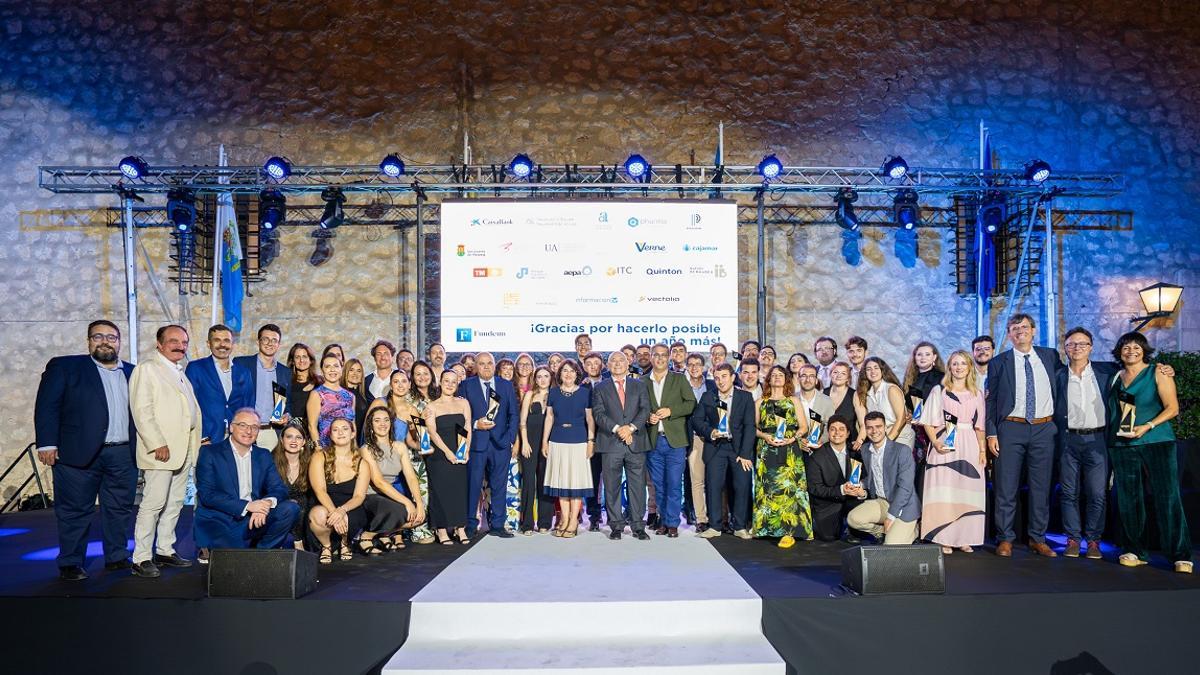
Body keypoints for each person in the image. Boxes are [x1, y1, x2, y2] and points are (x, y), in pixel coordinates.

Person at [34, 320, 137, 580]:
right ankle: (70, 561)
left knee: (119, 509)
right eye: (98, 337)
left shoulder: (134, 373)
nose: (105, 341)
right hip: (76, 454)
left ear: (119, 342)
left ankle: (116, 556)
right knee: (74, 510)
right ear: (89, 341)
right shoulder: (66, 367)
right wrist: (47, 443)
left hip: (123, 454)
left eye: (111, 337)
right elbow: (47, 406)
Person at [1107, 332, 1191, 573]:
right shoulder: (1115, 376)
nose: (1131, 350)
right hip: (1123, 445)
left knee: (1168, 497)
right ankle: (1135, 550)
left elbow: (1173, 408)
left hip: (1157, 441)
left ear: (1144, 350)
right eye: (1125, 346)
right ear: (1119, 351)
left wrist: (1148, 426)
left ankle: (1180, 555)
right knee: (1129, 501)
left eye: (1136, 346)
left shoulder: (1158, 372)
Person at [985, 313, 1063, 558]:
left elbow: (1078, 371)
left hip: (1044, 428)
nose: (1020, 331)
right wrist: (991, 433)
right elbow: (992, 401)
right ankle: (1005, 538)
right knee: (1006, 488)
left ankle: (1037, 538)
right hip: (1010, 428)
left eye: (1025, 327)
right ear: (1009, 334)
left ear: (1033, 330)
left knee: (1041, 487)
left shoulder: (1050, 356)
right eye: (1014, 328)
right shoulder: (998, 362)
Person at [129, 324, 202, 578]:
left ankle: (164, 549)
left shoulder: (179, 372)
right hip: (161, 450)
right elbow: (142, 410)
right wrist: (156, 442)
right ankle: (141, 557)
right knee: (153, 504)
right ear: (159, 344)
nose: (179, 346)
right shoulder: (148, 369)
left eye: (183, 342)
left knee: (174, 504)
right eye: (173, 341)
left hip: (182, 451)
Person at [193, 408, 300, 552]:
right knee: (232, 568)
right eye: (243, 425)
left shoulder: (263, 455)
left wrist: (264, 504)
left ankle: (261, 555)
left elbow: (279, 489)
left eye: (254, 427)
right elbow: (207, 495)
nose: (249, 431)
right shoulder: (210, 453)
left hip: (254, 519)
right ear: (231, 427)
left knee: (290, 509)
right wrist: (248, 506)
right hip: (221, 521)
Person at [1055, 327, 1118, 560]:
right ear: (1065, 348)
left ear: (1091, 347)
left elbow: (1137, 374)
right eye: (1071, 344)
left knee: (1097, 493)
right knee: (1069, 493)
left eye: (1082, 344)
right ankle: (1072, 539)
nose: (1076, 348)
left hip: (1098, 439)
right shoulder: (1058, 375)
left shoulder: (1108, 372)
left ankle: (1093, 541)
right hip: (1067, 439)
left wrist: (1163, 368)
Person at [917, 350, 987, 554]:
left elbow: (980, 426)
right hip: (944, 444)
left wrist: (982, 450)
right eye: (955, 364)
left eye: (963, 364)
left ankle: (964, 537)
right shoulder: (939, 391)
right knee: (944, 492)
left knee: (966, 492)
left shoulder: (977, 394)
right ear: (949, 367)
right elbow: (928, 422)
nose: (958, 368)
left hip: (969, 444)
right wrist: (936, 444)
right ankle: (943, 538)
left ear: (969, 367)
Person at [591, 351, 652, 541]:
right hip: (611, 443)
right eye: (613, 361)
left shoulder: (639, 385)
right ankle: (616, 525)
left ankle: (637, 526)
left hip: (635, 442)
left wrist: (631, 428)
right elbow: (599, 414)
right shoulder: (600, 388)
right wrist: (619, 429)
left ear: (628, 364)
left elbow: (645, 409)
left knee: (637, 487)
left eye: (621, 360)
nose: (617, 363)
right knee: (612, 487)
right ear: (607, 366)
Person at [459, 352, 521, 537]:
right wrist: (475, 425)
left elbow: (513, 414)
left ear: (494, 365)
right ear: (476, 366)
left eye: (489, 363)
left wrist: (510, 438)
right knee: (473, 485)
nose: (486, 367)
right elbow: (459, 417)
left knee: (499, 485)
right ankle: (470, 524)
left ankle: (498, 524)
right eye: (482, 363)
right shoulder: (466, 386)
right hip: (476, 443)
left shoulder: (506, 385)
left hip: (500, 444)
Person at [692, 363, 756, 539]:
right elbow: (697, 420)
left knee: (742, 486)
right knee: (713, 486)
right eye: (717, 377)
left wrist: (745, 453)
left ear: (733, 377)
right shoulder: (708, 396)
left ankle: (740, 526)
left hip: (738, 449)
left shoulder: (745, 397)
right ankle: (714, 526)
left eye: (724, 376)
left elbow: (750, 426)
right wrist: (710, 431)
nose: (720, 381)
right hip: (716, 447)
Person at [373, 367, 435, 544]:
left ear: (409, 384)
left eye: (404, 381)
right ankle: (384, 533)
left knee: (417, 487)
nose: (400, 385)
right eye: (396, 381)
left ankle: (411, 531)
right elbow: (366, 435)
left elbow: (412, 440)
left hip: (404, 456)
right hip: (379, 456)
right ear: (391, 385)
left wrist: (424, 446)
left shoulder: (413, 410)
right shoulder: (380, 403)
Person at [753, 365, 812, 547]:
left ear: (786, 379)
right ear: (768, 379)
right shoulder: (760, 402)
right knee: (767, 488)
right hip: (766, 448)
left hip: (789, 449)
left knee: (790, 489)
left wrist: (791, 439)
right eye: (774, 375)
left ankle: (791, 531)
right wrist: (765, 436)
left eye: (781, 375)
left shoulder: (793, 400)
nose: (777, 378)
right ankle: (765, 529)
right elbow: (754, 428)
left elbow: (804, 427)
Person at [643, 344, 698, 537]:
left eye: (663, 355)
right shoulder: (643, 382)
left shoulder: (679, 379)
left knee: (674, 483)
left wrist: (671, 411)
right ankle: (663, 521)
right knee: (658, 485)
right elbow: (638, 409)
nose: (659, 359)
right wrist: (647, 417)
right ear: (651, 357)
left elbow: (691, 403)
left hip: (675, 441)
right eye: (655, 355)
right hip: (653, 441)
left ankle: (673, 523)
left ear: (669, 358)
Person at [847, 412, 920, 545]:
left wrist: (891, 517)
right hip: (883, 502)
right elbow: (873, 477)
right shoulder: (865, 450)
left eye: (878, 426)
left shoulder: (902, 450)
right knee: (853, 519)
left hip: (903, 506)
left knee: (891, 546)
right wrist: (858, 485)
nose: (874, 431)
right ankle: (881, 531)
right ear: (865, 429)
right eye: (869, 427)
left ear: (885, 427)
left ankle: (913, 530)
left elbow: (906, 488)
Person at [542, 359, 595, 537]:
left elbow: (590, 419)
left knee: (576, 483)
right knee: (561, 482)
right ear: (560, 374)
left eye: (572, 371)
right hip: (557, 440)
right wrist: (544, 441)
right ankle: (564, 519)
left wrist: (591, 440)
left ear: (577, 374)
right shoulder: (554, 392)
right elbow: (549, 417)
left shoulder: (585, 393)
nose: (568, 374)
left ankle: (573, 521)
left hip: (579, 441)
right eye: (565, 370)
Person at [359, 407, 422, 553]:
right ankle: (366, 537)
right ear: (371, 425)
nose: (382, 424)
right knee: (402, 510)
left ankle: (382, 534)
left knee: (419, 516)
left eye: (386, 420)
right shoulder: (366, 449)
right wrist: (407, 502)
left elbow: (411, 477)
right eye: (377, 420)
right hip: (371, 495)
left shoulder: (400, 447)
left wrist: (418, 503)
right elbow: (378, 481)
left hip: (390, 493)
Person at [308, 417, 369, 563]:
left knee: (347, 517)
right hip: (325, 504)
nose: (340, 432)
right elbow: (320, 490)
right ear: (330, 435)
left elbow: (359, 496)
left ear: (353, 433)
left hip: (350, 507)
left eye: (345, 429)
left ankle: (345, 542)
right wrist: (334, 512)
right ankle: (326, 546)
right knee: (318, 514)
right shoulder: (319, 456)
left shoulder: (362, 463)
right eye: (335, 430)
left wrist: (342, 511)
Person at [424, 369, 472, 545]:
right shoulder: (432, 406)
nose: (450, 384)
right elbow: (432, 433)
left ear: (457, 383)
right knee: (440, 491)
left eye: (454, 381)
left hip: (459, 452)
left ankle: (460, 528)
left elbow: (467, 427)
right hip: (440, 454)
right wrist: (447, 452)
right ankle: (442, 530)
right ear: (440, 382)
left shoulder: (463, 403)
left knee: (459, 490)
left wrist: (466, 449)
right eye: (446, 381)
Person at [186, 324, 253, 446]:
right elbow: (189, 405)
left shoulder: (244, 372)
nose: (222, 345)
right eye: (217, 340)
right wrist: (203, 437)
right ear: (208, 343)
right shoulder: (196, 368)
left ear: (232, 344)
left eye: (226, 341)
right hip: (208, 439)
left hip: (237, 438)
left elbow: (249, 406)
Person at [233, 324, 292, 450]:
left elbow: (286, 403)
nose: (270, 343)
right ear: (258, 341)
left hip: (271, 433)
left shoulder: (284, 372)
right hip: (245, 430)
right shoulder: (242, 364)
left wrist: (286, 414)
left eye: (274, 340)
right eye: (265, 339)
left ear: (279, 344)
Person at [804, 415, 860, 542]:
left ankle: (854, 529)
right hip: (827, 506)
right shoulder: (817, 457)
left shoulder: (855, 453)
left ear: (848, 433)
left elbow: (864, 479)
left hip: (852, 502)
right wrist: (841, 490)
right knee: (828, 538)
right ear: (828, 433)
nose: (837, 433)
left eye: (841, 429)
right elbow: (815, 488)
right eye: (833, 429)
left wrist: (859, 489)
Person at [519, 367, 555, 534]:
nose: (542, 379)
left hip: (549, 444)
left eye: (546, 376)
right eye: (539, 376)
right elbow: (522, 421)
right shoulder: (529, 395)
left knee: (545, 482)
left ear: (551, 378)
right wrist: (524, 442)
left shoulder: (555, 395)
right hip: (530, 444)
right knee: (528, 483)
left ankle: (544, 523)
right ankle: (527, 524)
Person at [684, 353, 716, 531]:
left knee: (714, 480)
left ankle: (716, 516)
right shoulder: (682, 386)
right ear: (687, 367)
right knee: (697, 480)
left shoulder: (712, 385)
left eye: (698, 364)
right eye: (691, 364)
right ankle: (701, 519)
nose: (695, 367)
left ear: (704, 367)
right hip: (693, 438)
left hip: (713, 439)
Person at [856, 356, 915, 450]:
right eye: (868, 369)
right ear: (865, 373)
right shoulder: (867, 394)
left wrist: (888, 440)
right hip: (880, 438)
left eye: (876, 368)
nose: (872, 371)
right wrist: (859, 442)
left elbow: (902, 418)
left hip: (900, 436)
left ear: (882, 370)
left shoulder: (891, 389)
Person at [271, 420, 313, 550]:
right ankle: (297, 542)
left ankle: (299, 540)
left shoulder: (310, 462)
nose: (293, 441)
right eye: (289, 437)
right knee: (293, 505)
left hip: (303, 507)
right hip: (277, 505)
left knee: (302, 503)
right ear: (282, 440)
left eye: (298, 437)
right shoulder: (271, 460)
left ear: (304, 442)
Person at [580, 352, 608, 530]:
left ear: (602, 365)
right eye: (588, 363)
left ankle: (614, 515)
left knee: (612, 479)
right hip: (587, 439)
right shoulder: (579, 386)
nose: (592, 366)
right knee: (592, 479)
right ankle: (594, 515)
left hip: (609, 437)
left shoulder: (610, 384)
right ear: (584, 366)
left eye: (596, 363)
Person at [307, 354, 356, 447]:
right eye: (327, 366)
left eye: (336, 366)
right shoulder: (316, 394)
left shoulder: (350, 396)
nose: (332, 369)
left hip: (348, 449)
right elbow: (312, 426)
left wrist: (355, 448)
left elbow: (353, 424)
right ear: (322, 371)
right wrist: (318, 449)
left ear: (341, 369)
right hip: (327, 449)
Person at [795, 364, 835, 449]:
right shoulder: (791, 400)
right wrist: (797, 440)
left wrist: (822, 440)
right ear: (798, 379)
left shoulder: (827, 401)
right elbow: (787, 425)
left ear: (816, 380)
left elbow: (830, 424)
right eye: (804, 376)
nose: (808, 380)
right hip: (795, 449)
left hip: (820, 449)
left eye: (812, 376)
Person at [825, 362, 865, 446]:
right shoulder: (823, 393)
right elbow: (817, 421)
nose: (838, 375)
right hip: (827, 444)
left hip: (850, 444)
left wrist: (859, 442)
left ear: (848, 378)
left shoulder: (854, 395)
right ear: (830, 375)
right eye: (835, 372)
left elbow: (863, 424)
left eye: (843, 373)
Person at [285, 343, 319, 430]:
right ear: (292, 361)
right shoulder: (286, 383)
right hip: (293, 430)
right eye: (297, 357)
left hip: (314, 430)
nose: (301, 360)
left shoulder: (320, 383)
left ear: (310, 360)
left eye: (305, 356)